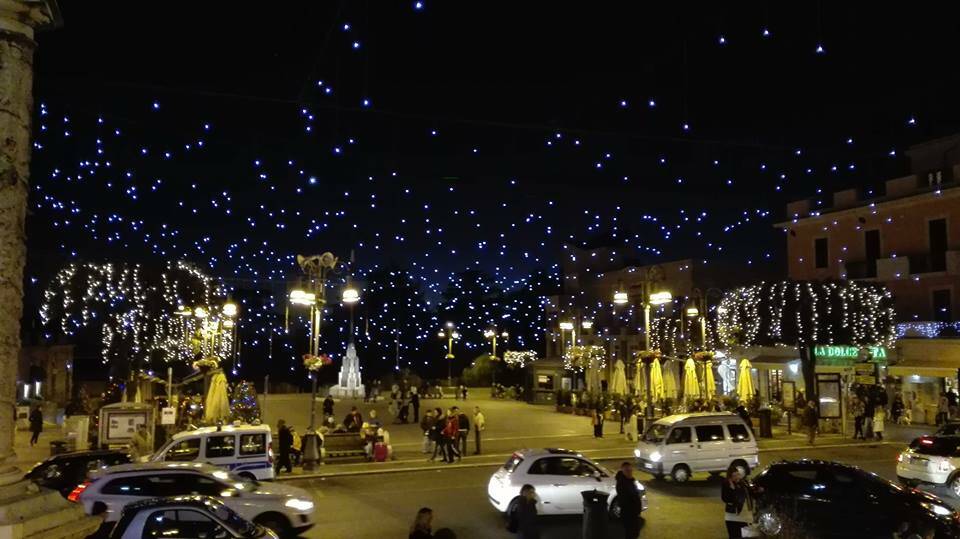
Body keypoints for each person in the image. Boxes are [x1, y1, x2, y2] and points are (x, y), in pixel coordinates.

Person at [721, 465, 751, 538]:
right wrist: (732, 489)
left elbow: (746, 493)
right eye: (734, 476)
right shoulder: (726, 484)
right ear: (730, 477)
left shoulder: (742, 483)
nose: (736, 477)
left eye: (737, 474)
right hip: (731, 514)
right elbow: (725, 498)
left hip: (742, 513)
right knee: (734, 535)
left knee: (744, 533)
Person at [615, 462, 642, 539]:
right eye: (627, 471)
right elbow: (627, 499)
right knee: (631, 534)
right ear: (623, 471)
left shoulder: (629, 481)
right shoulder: (622, 483)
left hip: (633, 513)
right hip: (629, 514)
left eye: (630, 470)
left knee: (633, 533)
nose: (629, 472)